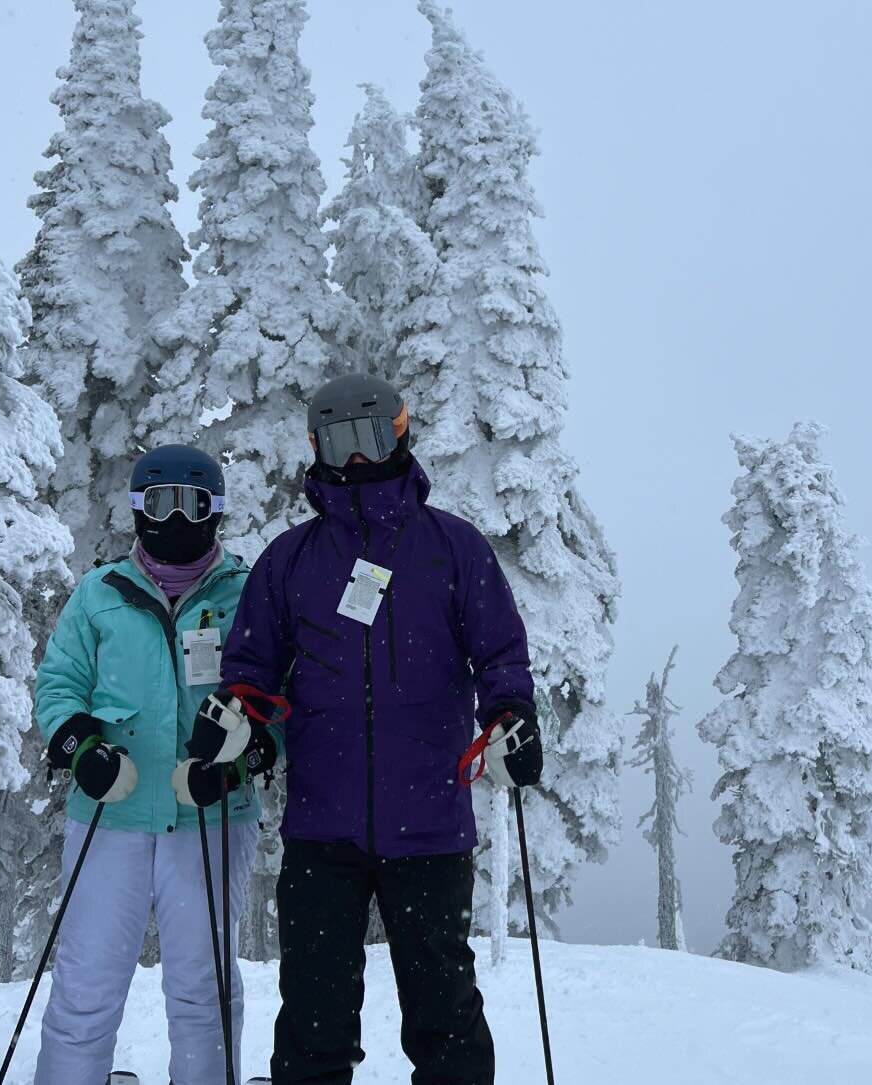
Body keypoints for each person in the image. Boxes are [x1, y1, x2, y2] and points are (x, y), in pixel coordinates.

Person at [213, 373, 544, 1085]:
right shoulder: (291, 559)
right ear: (315, 446)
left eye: (369, 439)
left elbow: (499, 652)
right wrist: (243, 718)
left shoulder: (452, 547)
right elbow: (251, 664)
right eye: (339, 442)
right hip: (321, 827)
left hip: (428, 822)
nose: (356, 459)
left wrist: (512, 716)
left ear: (400, 433)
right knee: (313, 1015)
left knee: (445, 1011)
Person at [34, 444, 278, 1085]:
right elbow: (60, 684)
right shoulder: (101, 592)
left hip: (211, 815)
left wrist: (232, 767)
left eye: (192, 504)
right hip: (110, 815)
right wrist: (81, 749)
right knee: (86, 981)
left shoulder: (248, 593)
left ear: (215, 511)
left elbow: (282, 704)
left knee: (203, 984)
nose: (175, 519)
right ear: (138, 510)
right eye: (159, 503)